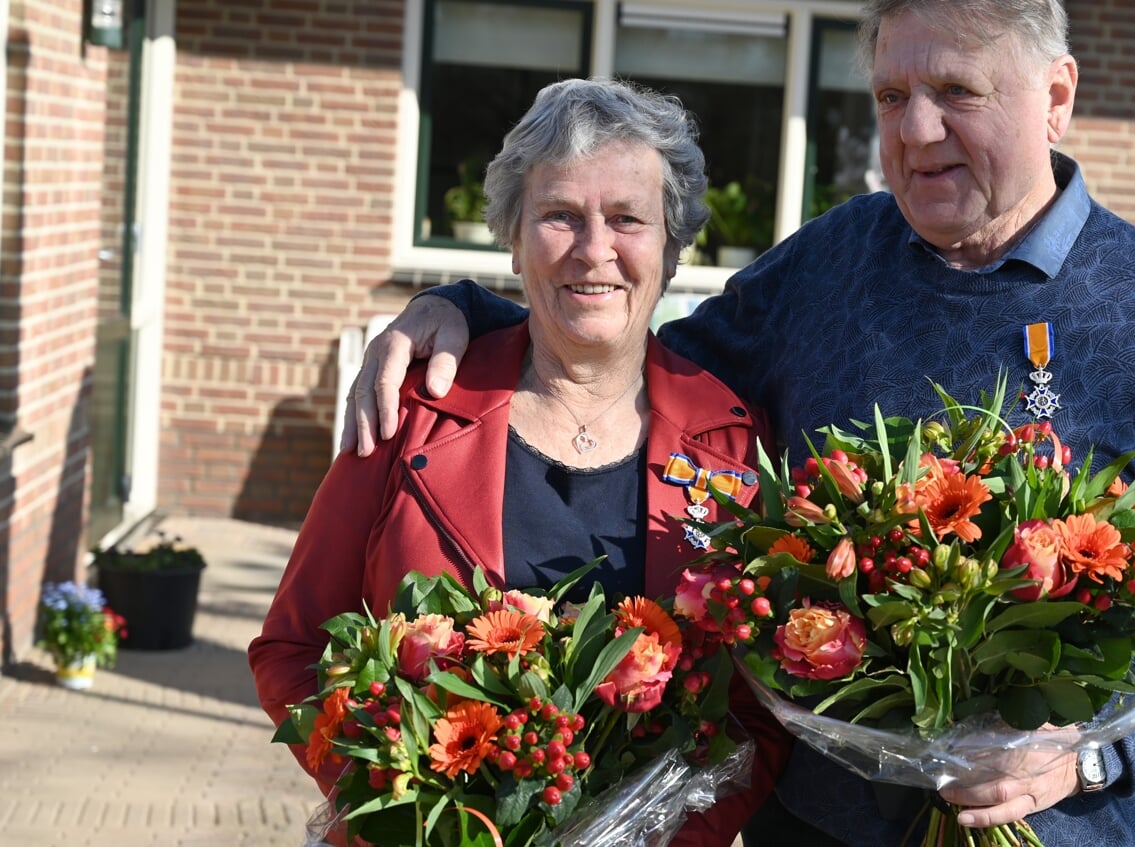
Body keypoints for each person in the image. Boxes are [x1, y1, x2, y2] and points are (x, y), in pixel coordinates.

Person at [341, 1, 1135, 845]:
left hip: (1051, 831)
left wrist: (1092, 760)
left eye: (955, 91)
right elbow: (629, 345)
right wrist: (468, 312)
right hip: (807, 828)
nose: (916, 128)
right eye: (891, 96)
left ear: (1053, 96)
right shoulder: (829, 263)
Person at [249, 77, 790, 847]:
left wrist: (654, 835)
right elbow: (293, 649)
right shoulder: (411, 411)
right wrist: (405, 806)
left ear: (671, 246)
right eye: (559, 216)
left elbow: (757, 711)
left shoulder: (733, 442)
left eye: (627, 219)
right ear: (511, 235)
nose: (593, 248)